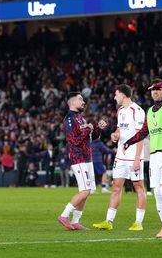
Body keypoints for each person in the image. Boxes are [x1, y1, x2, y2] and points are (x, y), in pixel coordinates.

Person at [124, 78, 162, 238]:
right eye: (153, 90)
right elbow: (143, 132)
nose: (155, 92)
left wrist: (160, 83)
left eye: (158, 89)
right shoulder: (149, 111)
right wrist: (129, 142)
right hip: (155, 157)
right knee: (156, 192)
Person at [93, 84, 147, 231]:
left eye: (116, 94)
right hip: (121, 156)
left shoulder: (138, 111)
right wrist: (115, 135)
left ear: (124, 95)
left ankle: (138, 223)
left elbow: (141, 137)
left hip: (133, 156)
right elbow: (120, 129)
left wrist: (137, 159)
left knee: (138, 187)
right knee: (116, 187)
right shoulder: (120, 111)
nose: (114, 97)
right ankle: (108, 221)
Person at [57, 91, 107, 231]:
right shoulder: (69, 119)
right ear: (72, 102)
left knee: (87, 191)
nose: (83, 101)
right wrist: (87, 130)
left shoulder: (81, 118)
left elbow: (92, 137)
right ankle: (64, 215)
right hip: (78, 158)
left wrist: (97, 128)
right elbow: (74, 141)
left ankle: (75, 221)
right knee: (84, 191)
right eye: (80, 99)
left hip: (87, 158)